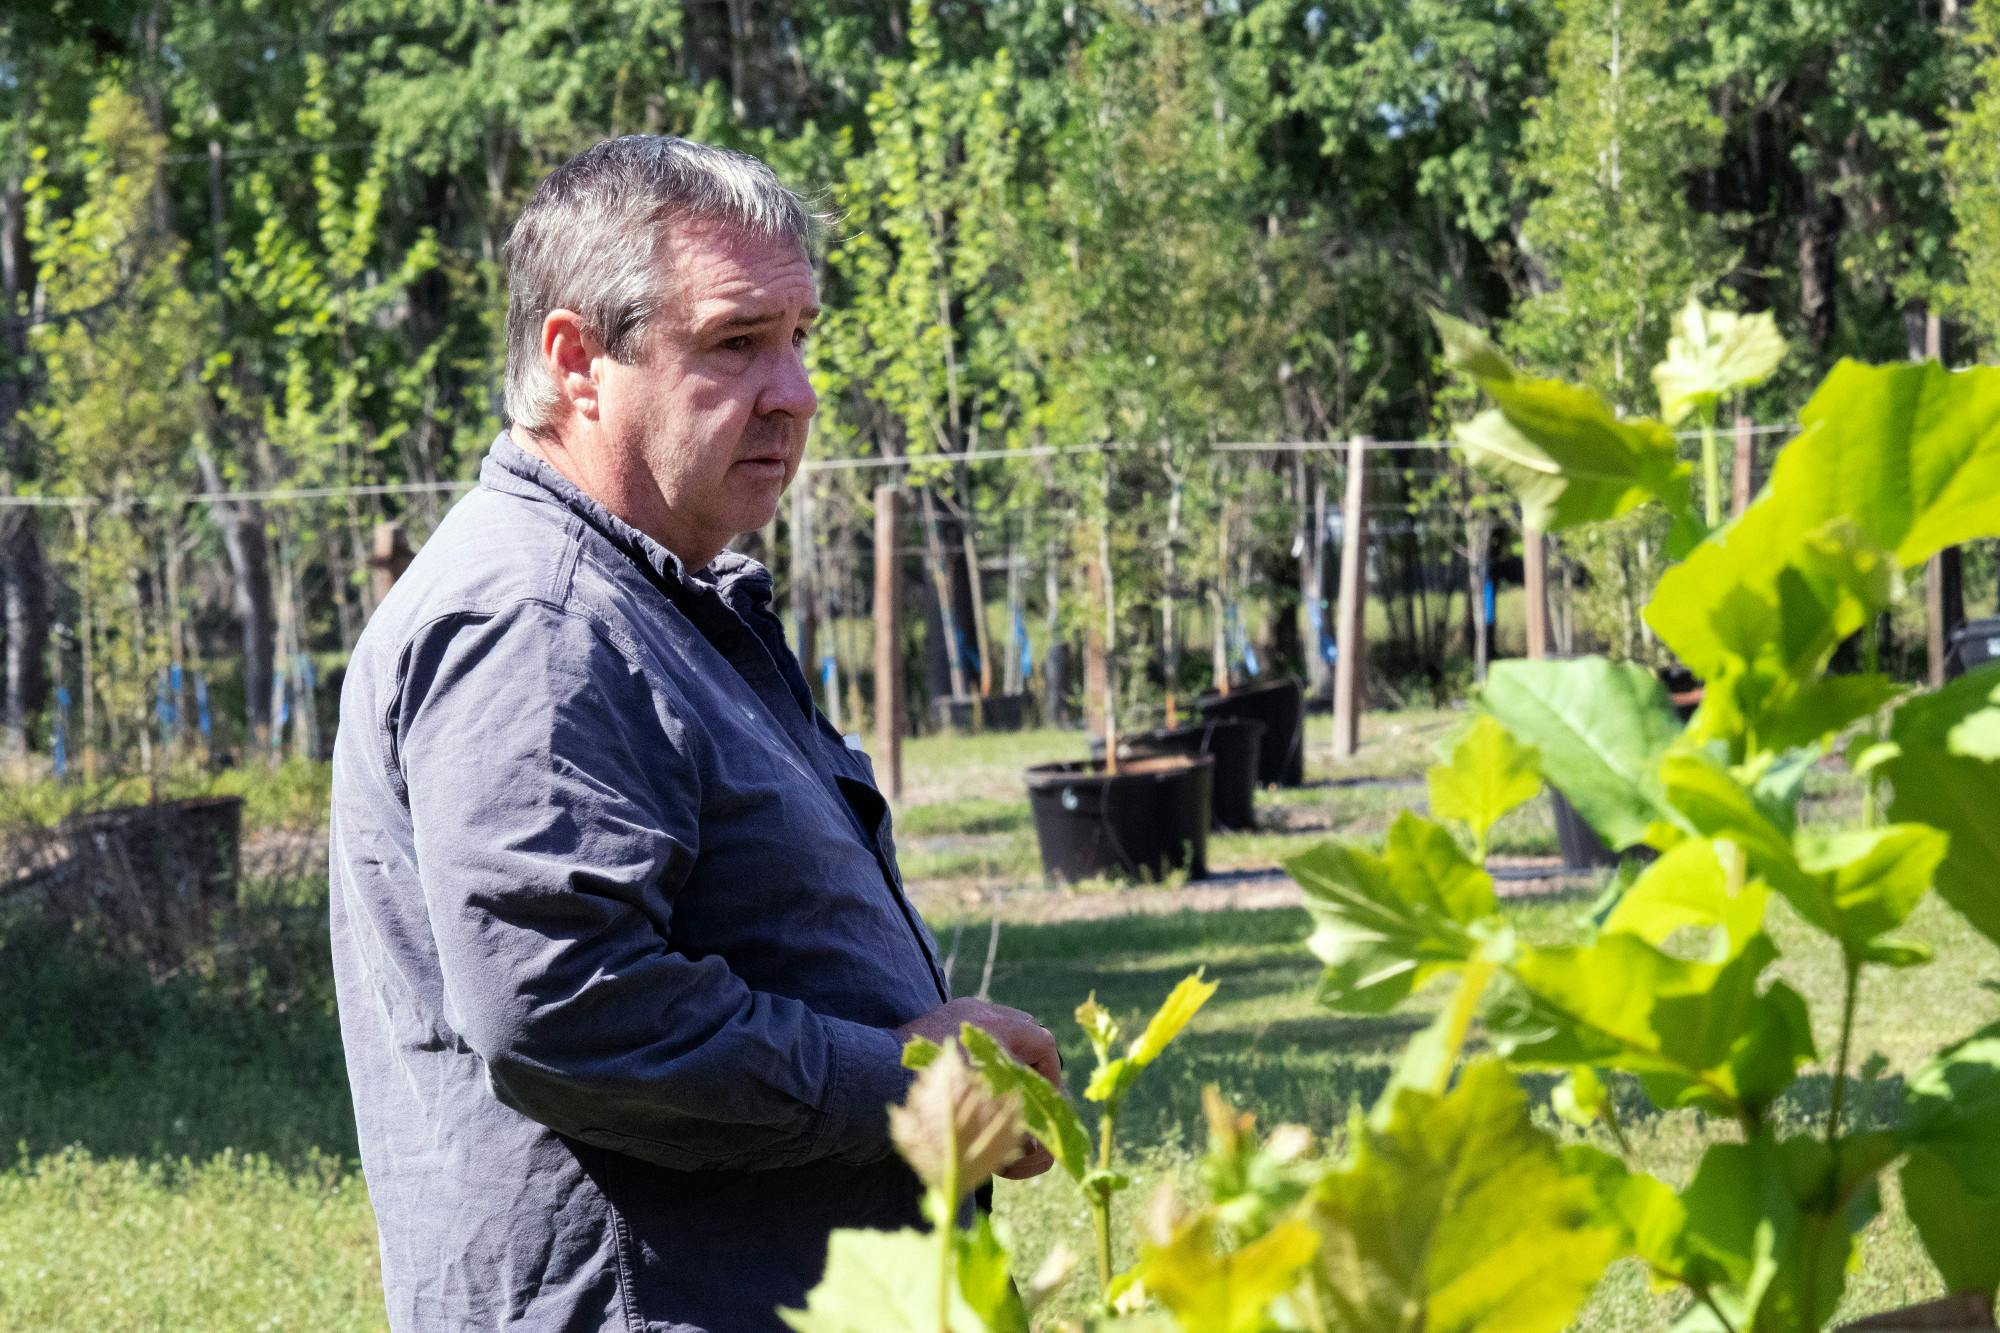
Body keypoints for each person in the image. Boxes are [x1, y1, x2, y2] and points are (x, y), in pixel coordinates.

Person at [328, 135, 1058, 1333]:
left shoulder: (645, 598)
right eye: (733, 342)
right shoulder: (540, 621)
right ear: (577, 361)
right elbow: (566, 1008)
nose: (795, 391)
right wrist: (907, 1087)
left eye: (798, 339)